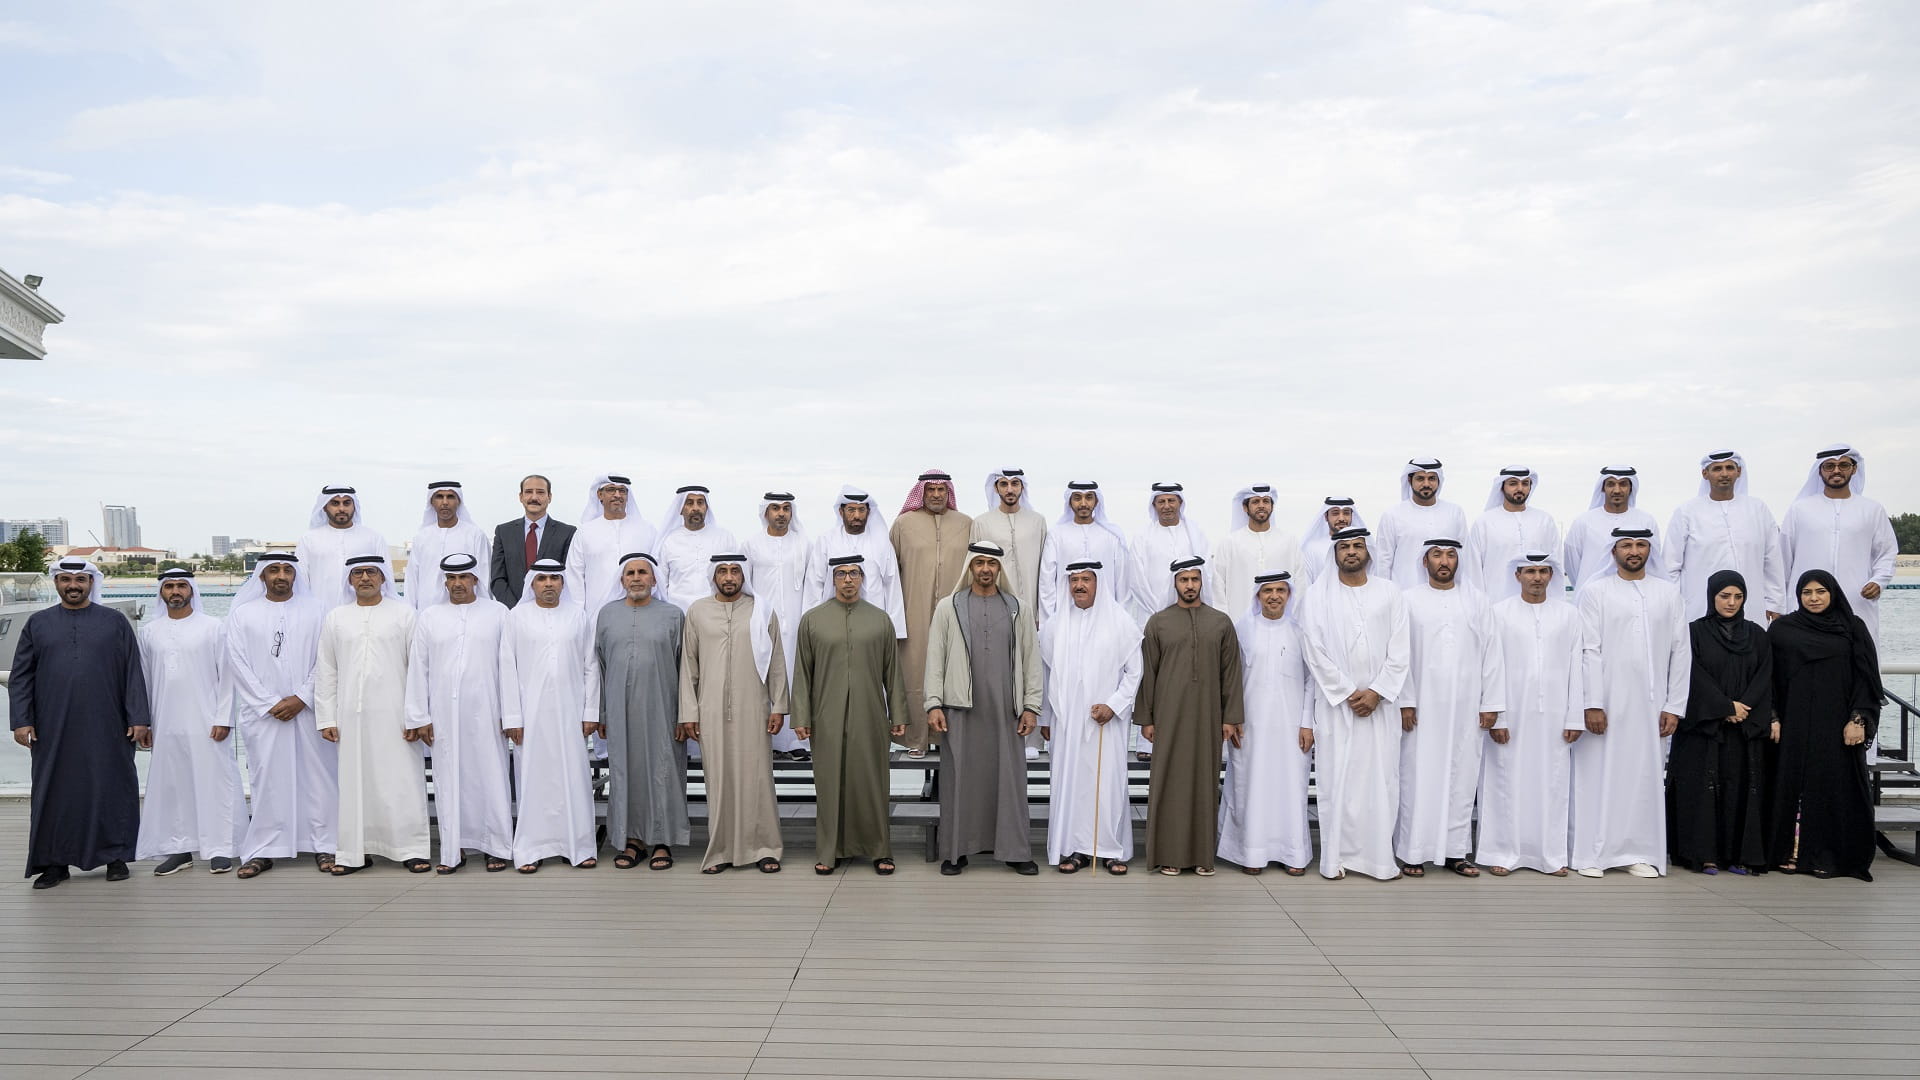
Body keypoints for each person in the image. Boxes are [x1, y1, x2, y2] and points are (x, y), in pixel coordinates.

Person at [9, 558, 149, 889]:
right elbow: (21, 677)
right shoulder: (37, 624)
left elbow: (133, 672)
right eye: (66, 579)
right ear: (57, 583)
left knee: (112, 785)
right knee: (54, 790)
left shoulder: (114, 622)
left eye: (81, 580)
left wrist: (139, 717)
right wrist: (21, 720)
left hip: (108, 723)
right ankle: (54, 863)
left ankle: (115, 857)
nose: (74, 585)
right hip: (52, 724)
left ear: (91, 583)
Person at [1571, 529, 1688, 879]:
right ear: (1615, 550)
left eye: (1640, 545)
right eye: (1627, 545)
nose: (1634, 551)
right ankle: (1592, 852)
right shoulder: (1595, 592)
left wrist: (1674, 706)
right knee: (1598, 775)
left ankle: (1636, 852)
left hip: (1651, 705)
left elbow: (1680, 651)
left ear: (1649, 550)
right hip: (1606, 703)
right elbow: (1588, 649)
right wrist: (1592, 702)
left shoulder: (1668, 593)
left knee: (1641, 777)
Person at [923, 541, 1044, 875]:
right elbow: (935, 658)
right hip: (961, 708)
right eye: (980, 563)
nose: (986, 569)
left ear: (999, 569)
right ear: (970, 567)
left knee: (1011, 780)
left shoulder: (1018, 607)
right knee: (960, 778)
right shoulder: (949, 607)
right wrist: (933, 703)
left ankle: (1016, 851)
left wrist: (1031, 706)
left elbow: (1031, 660)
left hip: (1007, 710)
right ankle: (956, 851)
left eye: (992, 563)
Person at [1300, 529, 1411, 880]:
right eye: (1344, 546)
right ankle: (1337, 858)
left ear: (1368, 551)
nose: (1351, 552)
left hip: (1382, 706)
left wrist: (1377, 691)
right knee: (1338, 781)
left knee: (1382, 780)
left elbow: (1401, 649)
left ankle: (1378, 859)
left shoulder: (1390, 593)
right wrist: (1349, 692)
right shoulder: (1317, 596)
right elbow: (1313, 650)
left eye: (1357, 546)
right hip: (1337, 708)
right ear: (1334, 553)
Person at [790, 555, 910, 875]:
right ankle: (830, 851)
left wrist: (897, 713)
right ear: (832, 579)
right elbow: (802, 672)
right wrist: (800, 716)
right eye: (841, 574)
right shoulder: (813, 620)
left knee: (871, 781)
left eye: (853, 574)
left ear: (861, 578)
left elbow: (893, 673)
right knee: (829, 783)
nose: (847, 579)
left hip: (870, 714)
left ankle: (879, 849)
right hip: (825, 716)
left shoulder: (880, 620)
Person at [1395, 538, 1504, 878]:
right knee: (1417, 775)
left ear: (1459, 561)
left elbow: (1492, 654)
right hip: (1422, 707)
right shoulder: (1408, 601)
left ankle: (1457, 852)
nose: (1444, 561)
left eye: (1451, 555)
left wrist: (1492, 704)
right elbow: (1400, 655)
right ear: (1424, 561)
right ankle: (1414, 851)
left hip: (1466, 706)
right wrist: (1406, 702)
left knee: (1461, 775)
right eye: (1437, 555)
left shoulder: (1477, 601)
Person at [316, 554, 430, 875]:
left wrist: (416, 716)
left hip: (397, 715)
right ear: (350, 580)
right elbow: (327, 671)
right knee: (355, 783)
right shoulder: (336, 618)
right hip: (351, 716)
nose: (365, 578)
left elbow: (419, 670)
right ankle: (356, 852)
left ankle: (410, 849)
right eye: (358, 573)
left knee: (401, 781)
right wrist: (326, 717)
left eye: (371, 572)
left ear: (383, 579)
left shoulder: (405, 614)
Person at [226, 552, 337, 879]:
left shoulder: (317, 610)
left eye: (287, 569)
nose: (281, 575)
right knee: (267, 779)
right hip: (264, 715)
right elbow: (237, 662)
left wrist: (301, 697)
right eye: (273, 569)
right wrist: (269, 702)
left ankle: (324, 843)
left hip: (309, 710)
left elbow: (327, 658)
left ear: (295, 575)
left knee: (319, 777)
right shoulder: (243, 614)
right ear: (261, 576)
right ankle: (263, 849)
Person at [405, 552, 515, 873]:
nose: (457, 584)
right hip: (442, 716)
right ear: (445, 582)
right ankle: (455, 849)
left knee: (491, 777)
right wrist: (419, 716)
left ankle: (496, 847)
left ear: (475, 580)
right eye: (451, 579)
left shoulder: (498, 613)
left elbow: (507, 667)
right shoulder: (429, 616)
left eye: (463, 577)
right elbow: (418, 669)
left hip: (488, 711)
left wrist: (509, 716)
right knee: (448, 779)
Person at [1767, 570, 1881, 881]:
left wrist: (1858, 719)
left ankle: (1831, 855)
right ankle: (1789, 852)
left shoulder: (1851, 627)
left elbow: (1866, 677)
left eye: (1820, 591)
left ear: (1832, 593)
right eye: (1807, 592)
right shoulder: (1782, 630)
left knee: (1834, 787)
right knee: (1792, 785)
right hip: (1793, 725)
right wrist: (1773, 716)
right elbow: (1768, 678)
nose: (1814, 598)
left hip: (1838, 726)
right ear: (1798, 596)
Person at [679, 554, 789, 874]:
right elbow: (689, 665)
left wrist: (779, 705)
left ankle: (765, 848)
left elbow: (777, 662)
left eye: (735, 571)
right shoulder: (698, 611)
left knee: (757, 778)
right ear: (713, 576)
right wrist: (689, 712)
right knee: (718, 780)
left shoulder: (761, 610)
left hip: (754, 706)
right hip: (710, 709)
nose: (729, 577)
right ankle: (721, 851)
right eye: (723, 571)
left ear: (744, 575)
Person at [1135, 556, 1245, 876]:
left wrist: (1230, 716)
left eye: (1195, 579)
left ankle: (1201, 856)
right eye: (1184, 580)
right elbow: (1148, 674)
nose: (1190, 585)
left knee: (1204, 781)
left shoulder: (1221, 622)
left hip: (1208, 717)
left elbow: (1231, 673)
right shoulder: (1158, 622)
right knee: (1169, 782)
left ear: (1201, 582)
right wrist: (1147, 719)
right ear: (1175, 584)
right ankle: (1169, 855)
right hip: (1169, 717)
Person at [1477, 552, 1585, 877]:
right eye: (1530, 571)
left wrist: (1575, 716)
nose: (1537, 578)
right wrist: (1499, 715)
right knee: (1505, 781)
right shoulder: (1499, 614)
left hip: (1555, 714)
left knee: (1552, 782)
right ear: (1517, 575)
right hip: (1511, 713)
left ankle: (1550, 856)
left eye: (1543, 571)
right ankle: (1503, 852)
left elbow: (1578, 668)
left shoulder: (1569, 615)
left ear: (1552, 576)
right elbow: (1491, 667)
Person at [134, 568, 247, 876]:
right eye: (169, 586)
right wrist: (144, 722)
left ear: (192, 590)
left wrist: (224, 718)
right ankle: (179, 849)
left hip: (207, 720)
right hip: (165, 721)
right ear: (161, 592)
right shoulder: (150, 632)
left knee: (216, 783)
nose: (175, 591)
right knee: (173, 786)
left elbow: (228, 678)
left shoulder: (213, 627)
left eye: (182, 585)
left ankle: (221, 848)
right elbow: (142, 681)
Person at [1038, 562, 1142, 875]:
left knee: (1107, 784)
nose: (1079, 586)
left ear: (1099, 583)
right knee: (1071, 785)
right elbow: (1044, 674)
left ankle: (1110, 850)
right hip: (1066, 721)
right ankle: (1074, 849)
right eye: (1074, 580)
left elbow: (1134, 671)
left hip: (1106, 723)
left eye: (1086, 579)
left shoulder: (1120, 622)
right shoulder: (1056, 624)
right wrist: (1045, 715)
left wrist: (1114, 705)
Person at [1668, 570, 1772, 875]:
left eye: (1738, 597)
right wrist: (1723, 706)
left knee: (1738, 788)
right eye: (1725, 596)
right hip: (1704, 727)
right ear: (1712, 596)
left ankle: (1736, 854)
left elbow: (1765, 674)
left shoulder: (1756, 634)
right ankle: (1703, 855)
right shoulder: (1693, 633)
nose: (1731, 603)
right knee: (1701, 790)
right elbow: (1691, 674)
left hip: (1743, 728)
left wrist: (1743, 707)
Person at [502, 558, 601, 873]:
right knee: (533, 779)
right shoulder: (516, 617)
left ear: (563, 583)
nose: (548, 584)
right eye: (541, 578)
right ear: (532, 583)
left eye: (554, 579)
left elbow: (591, 667)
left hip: (571, 713)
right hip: (529, 717)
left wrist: (590, 712)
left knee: (573, 777)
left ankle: (579, 846)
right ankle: (531, 848)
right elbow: (507, 667)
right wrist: (512, 718)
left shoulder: (578, 616)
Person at [1217, 572, 1315, 876]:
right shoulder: (1242, 629)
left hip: (1291, 728)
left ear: (1289, 594)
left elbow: (1312, 681)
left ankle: (1292, 854)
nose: (1274, 596)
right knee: (1249, 787)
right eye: (1268, 591)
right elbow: (1229, 679)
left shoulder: (1301, 632)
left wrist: (1307, 724)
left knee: (1290, 787)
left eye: (1280, 590)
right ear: (1258, 596)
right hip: (1251, 727)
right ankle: (1250, 853)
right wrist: (1231, 718)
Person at [594, 552, 687, 871]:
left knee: (663, 771)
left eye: (643, 573)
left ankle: (662, 840)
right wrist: (602, 714)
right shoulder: (606, 615)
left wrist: (684, 714)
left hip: (664, 708)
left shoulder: (673, 615)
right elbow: (599, 669)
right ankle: (632, 840)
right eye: (630, 573)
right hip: (619, 711)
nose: (636, 578)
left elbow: (685, 669)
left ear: (654, 579)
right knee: (625, 772)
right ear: (621, 580)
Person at [1780, 445, 1898, 647]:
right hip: (1807, 602)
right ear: (1820, 471)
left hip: (1857, 600)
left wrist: (1879, 581)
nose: (1836, 471)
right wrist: (1780, 602)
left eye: (1843, 465)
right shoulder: (1800, 510)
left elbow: (1886, 552)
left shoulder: (1872, 510)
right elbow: (1782, 559)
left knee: (1859, 657)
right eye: (1829, 466)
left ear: (1854, 469)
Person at [891, 469, 973, 757]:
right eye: (930, 490)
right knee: (914, 672)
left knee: (954, 670)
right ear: (921, 493)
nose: (936, 495)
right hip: (912, 612)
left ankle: (949, 737)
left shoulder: (965, 524)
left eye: (941, 489)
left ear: (948, 492)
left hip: (956, 612)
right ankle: (917, 738)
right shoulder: (903, 524)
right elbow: (891, 572)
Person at [1664, 450, 1784, 627]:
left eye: (1729, 468)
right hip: (1699, 608)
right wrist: (1675, 607)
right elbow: (1670, 566)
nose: (1724, 474)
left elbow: (1772, 559)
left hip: (1752, 606)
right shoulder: (1687, 512)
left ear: (1739, 472)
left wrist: (1775, 602)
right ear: (1705, 474)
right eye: (1717, 469)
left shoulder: (1757, 509)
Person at [742, 491, 811, 759]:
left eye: (785, 508)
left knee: (795, 677)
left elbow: (813, 584)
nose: (781, 513)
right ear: (765, 513)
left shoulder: (804, 543)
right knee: (762, 677)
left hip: (796, 621)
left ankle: (796, 743)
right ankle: (765, 742)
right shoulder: (750, 544)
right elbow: (744, 584)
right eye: (775, 508)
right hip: (761, 620)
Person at [804, 486, 907, 634]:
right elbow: (814, 585)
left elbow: (892, 587)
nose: (857, 515)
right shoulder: (826, 541)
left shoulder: (882, 543)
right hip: (833, 623)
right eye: (851, 510)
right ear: (841, 512)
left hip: (873, 624)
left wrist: (895, 632)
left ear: (869, 512)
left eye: (861, 510)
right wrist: (812, 627)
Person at [1036, 481, 1130, 627]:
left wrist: (1122, 622)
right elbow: (1046, 583)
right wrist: (1049, 624)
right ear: (1069, 502)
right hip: (1066, 619)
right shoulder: (1056, 535)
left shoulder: (1111, 536)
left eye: (1089, 497)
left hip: (1106, 619)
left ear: (1096, 501)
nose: (1083, 503)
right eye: (1078, 498)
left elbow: (1122, 583)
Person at [1211, 483, 1306, 618]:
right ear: (1245, 507)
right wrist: (1225, 624)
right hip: (1239, 624)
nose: (1261, 505)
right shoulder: (1229, 543)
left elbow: (1300, 584)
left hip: (1283, 625)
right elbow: (1218, 588)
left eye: (1266, 501)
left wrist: (1295, 619)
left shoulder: (1289, 541)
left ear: (1272, 507)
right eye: (1256, 502)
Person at [565, 474, 657, 612]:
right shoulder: (585, 532)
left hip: (641, 609)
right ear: (600, 495)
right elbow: (574, 576)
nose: (617, 495)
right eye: (611, 490)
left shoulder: (646, 529)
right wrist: (578, 613)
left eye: (622, 491)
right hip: (596, 610)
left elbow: (656, 572)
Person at [1375, 459, 1470, 591]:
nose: (1426, 484)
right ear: (1410, 480)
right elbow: (1383, 561)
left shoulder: (1454, 512)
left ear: (1439, 481)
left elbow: (1465, 556)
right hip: (1403, 595)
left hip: (1447, 596)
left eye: (1431, 478)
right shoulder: (1392, 515)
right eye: (1420, 479)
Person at [1468, 468, 1559, 602]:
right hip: (1495, 604)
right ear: (1501, 487)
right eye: (1513, 483)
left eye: (1525, 484)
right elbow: (1473, 571)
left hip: (1538, 605)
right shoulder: (1484, 523)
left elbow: (1556, 565)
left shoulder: (1544, 521)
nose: (1520, 488)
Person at [1562, 466, 1662, 590]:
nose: (1617, 490)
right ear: (1603, 488)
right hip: (1590, 596)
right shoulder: (1583, 522)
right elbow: (1572, 566)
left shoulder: (1646, 521)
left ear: (1631, 488)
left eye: (1623, 484)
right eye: (1611, 484)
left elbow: (1653, 563)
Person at [969, 469, 1048, 625]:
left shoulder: (1037, 522)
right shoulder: (981, 523)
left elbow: (1045, 570)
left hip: (1031, 610)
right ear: (996, 488)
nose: (1010, 489)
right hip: (992, 609)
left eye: (1015, 484)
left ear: (1022, 487)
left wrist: (1042, 614)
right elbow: (973, 568)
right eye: (1004, 484)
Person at [1129, 482, 1213, 620]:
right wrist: (1159, 612)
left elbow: (1206, 572)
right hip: (1152, 614)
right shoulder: (1142, 537)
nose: (1166, 506)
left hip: (1192, 611)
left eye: (1171, 501)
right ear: (1154, 505)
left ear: (1180, 502)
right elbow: (1137, 581)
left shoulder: (1195, 534)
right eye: (1161, 501)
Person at [295, 485, 388, 608]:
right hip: (320, 613)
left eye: (347, 503)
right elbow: (301, 583)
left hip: (364, 614)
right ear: (324, 507)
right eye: (335, 503)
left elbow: (386, 580)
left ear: (354, 506)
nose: (341, 508)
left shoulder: (373, 538)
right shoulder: (308, 540)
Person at [490, 473, 575, 607]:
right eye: (529, 492)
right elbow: (497, 578)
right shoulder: (504, 532)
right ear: (521, 496)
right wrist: (517, 609)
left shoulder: (567, 533)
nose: (534, 497)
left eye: (540, 492)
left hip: (553, 611)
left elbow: (569, 578)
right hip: (512, 611)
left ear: (549, 497)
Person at [407, 481, 490, 611]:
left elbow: (484, 578)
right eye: (439, 497)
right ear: (431, 502)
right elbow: (412, 581)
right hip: (426, 611)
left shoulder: (475, 535)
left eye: (450, 497)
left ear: (458, 501)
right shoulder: (421, 537)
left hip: (466, 611)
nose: (445, 502)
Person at [658, 485, 740, 611]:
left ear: (706, 507)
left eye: (700, 503)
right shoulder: (669, 541)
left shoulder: (724, 537)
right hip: (679, 611)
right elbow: (662, 583)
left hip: (716, 611)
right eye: (689, 503)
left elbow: (736, 576)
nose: (695, 508)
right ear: (680, 509)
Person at [1300, 497, 1366, 583]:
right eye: (1335, 513)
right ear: (1326, 517)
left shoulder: (1363, 547)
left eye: (1346, 513)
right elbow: (1306, 586)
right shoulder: (1312, 548)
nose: (1341, 518)